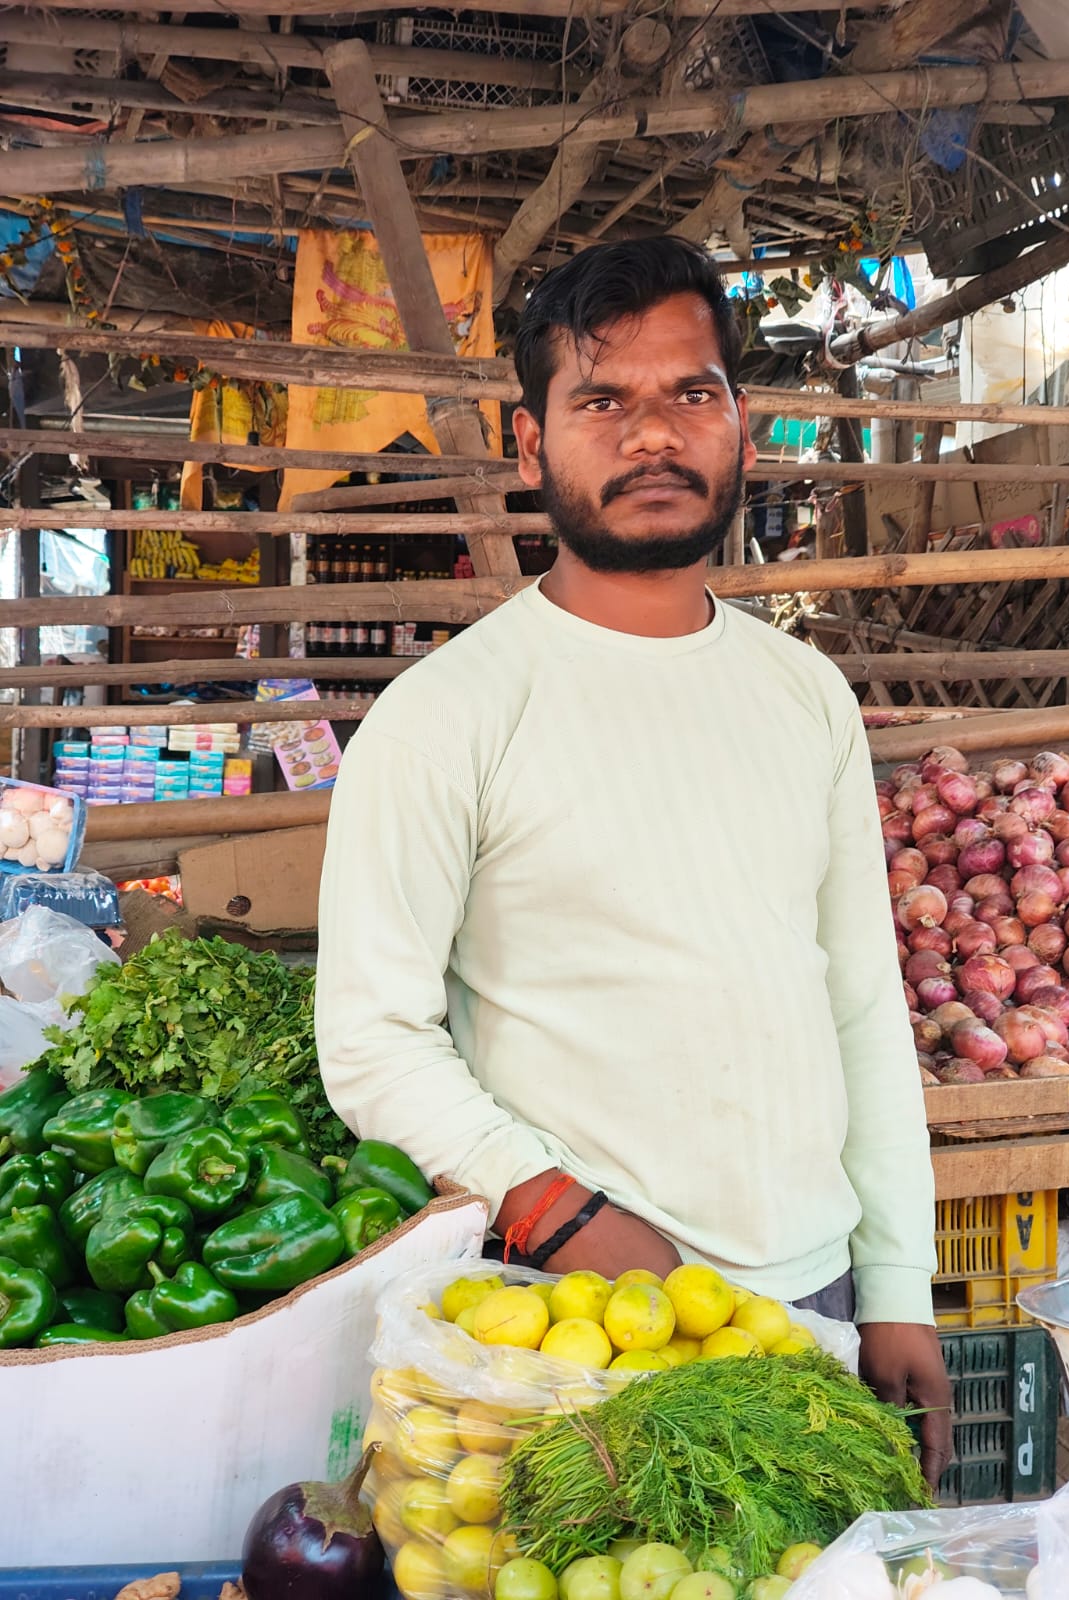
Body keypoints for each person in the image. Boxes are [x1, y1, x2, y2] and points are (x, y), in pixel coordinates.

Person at [316, 235, 952, 1483]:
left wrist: (896, 1284)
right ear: (529, 445)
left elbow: (860, 1005)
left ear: (741, 422)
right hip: (574, 1321)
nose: (654, 434)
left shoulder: (805, 696)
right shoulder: (448, 716)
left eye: (691, 393)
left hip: (812, 1291)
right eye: (602, 400)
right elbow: (373, 1039)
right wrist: (560, 1214)